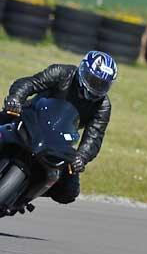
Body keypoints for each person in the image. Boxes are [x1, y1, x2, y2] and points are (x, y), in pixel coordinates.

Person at [2, 51, 117, 205]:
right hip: (31, 117)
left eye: (102, 84)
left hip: (60, 140)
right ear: (83, 70)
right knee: (4, 117)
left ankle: (24, 195)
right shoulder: (62, 73)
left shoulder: (103, 106)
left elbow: (94, 137)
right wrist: (16, 98)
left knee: (69, 191)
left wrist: (81, 157)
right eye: (93, 80)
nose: (96, 87)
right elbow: (31, 83)